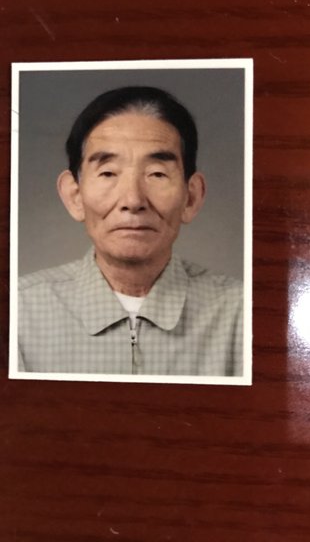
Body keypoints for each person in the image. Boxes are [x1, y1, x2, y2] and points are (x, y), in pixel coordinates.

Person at [17, 86, 243, 377]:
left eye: (157, 174)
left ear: (191, 197)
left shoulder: (240, 313)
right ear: (74, 196)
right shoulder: (20, 312)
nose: (133, 200)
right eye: (108, 173)